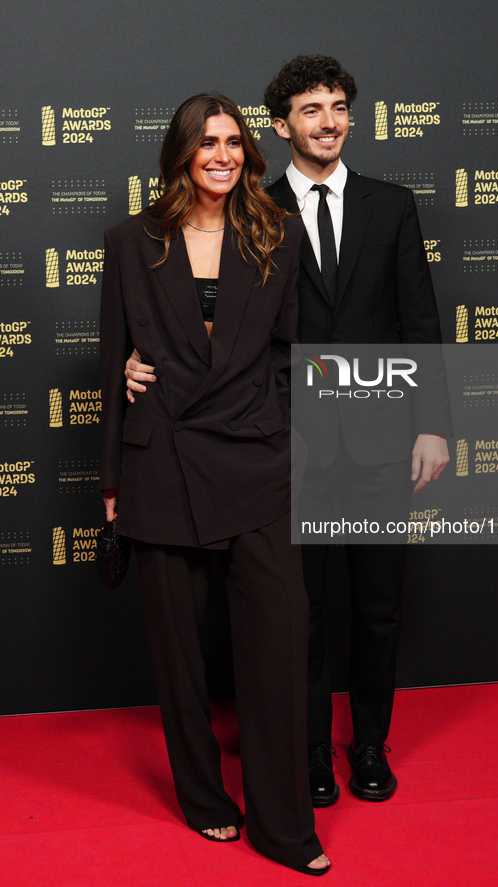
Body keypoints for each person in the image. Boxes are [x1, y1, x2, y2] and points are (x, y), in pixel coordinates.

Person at [125, 58, 451, 810]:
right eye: (311, 109)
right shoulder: (252, 212)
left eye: (339, 107)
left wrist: (432, 423)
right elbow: (199, 318)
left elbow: (420, 322)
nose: (329, 121)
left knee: (376, 603)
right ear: (281, 125)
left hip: (379, 443)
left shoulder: (391, 207)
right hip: (283, 446)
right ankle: (305, 750)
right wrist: (134, 361)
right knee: (294, 612)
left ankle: (368, 743)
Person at [99, 93, 330, 875]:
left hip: (256, 457)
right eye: (208, 144)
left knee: (276, 642)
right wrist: (110, 478)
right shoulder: (131, 242)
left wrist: (286, 436)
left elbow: (288, 353)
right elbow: (113, 364)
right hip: (161, 459)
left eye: (234, 142)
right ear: (182, 156)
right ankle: (203, 798)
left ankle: (283, 825)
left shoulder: (275, 233)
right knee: (179, 657)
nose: (224, 156)